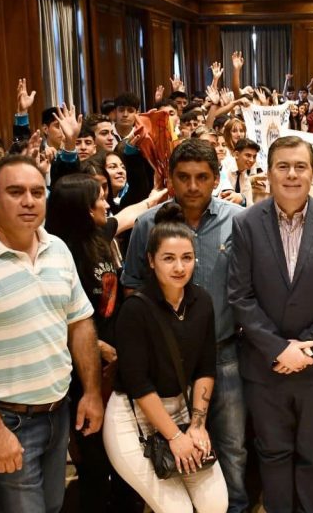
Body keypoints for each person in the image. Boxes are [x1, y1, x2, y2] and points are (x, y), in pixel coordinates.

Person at [0, 155, 104, 512]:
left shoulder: (57, 249)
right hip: (8, 418)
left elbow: (80, 323)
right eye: (15, 192)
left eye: (37, 192)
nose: (28, 201)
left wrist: (91, 392)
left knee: (54, 505)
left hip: (59, 410)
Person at [228, 135, 313, 513]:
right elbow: (240, 296)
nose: (291, 174)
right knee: (272, 453)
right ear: (268, 173)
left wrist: (306, 348)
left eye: (300, 166)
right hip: (264, 366)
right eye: (282, 166)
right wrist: (278, 348)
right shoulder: (247, 223)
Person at [122, 138, 249, 513]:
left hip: (222, 353)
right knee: (166, 442)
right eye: (184, 177)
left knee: (232, 443)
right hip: (162, 364)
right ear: (171, 179)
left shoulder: (239, 222)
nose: (192, 186)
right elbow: (132, 285)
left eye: (202, 177)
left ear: (215, 179)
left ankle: (235, 507)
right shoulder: (147, 224)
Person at [47, 173, 164, 513]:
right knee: (94, 460)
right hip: (83, 371)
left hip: (117, 365)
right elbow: (61, 314)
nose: (106, 202)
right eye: (98, 198)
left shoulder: (99, 234)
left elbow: (127, 215)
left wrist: (156, 197)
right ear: (81, 208)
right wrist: (97, 346)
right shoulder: (60, 252)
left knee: (124, 452)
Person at [104, 202, 228, 513]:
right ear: (151, 261)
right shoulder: (136, 309)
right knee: (178, 510)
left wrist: (197, 426)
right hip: (134, 417)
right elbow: (137, 383)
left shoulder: (202, 301)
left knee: (215, 506)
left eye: (186, 258)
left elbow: (205, 366)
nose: (179, 267)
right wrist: (174, 436)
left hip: (183, 410)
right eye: (168, 259)